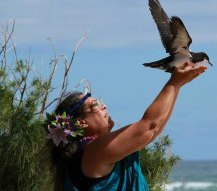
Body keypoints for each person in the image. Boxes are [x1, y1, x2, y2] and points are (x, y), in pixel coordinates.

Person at [49, 62, 208, 191]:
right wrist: (174, 82)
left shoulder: (92, 151)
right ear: (80, 122)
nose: (103, 106)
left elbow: (154, 130)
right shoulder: (93, 151)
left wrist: (178, 85)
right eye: (95, 104)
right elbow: (149, 127)